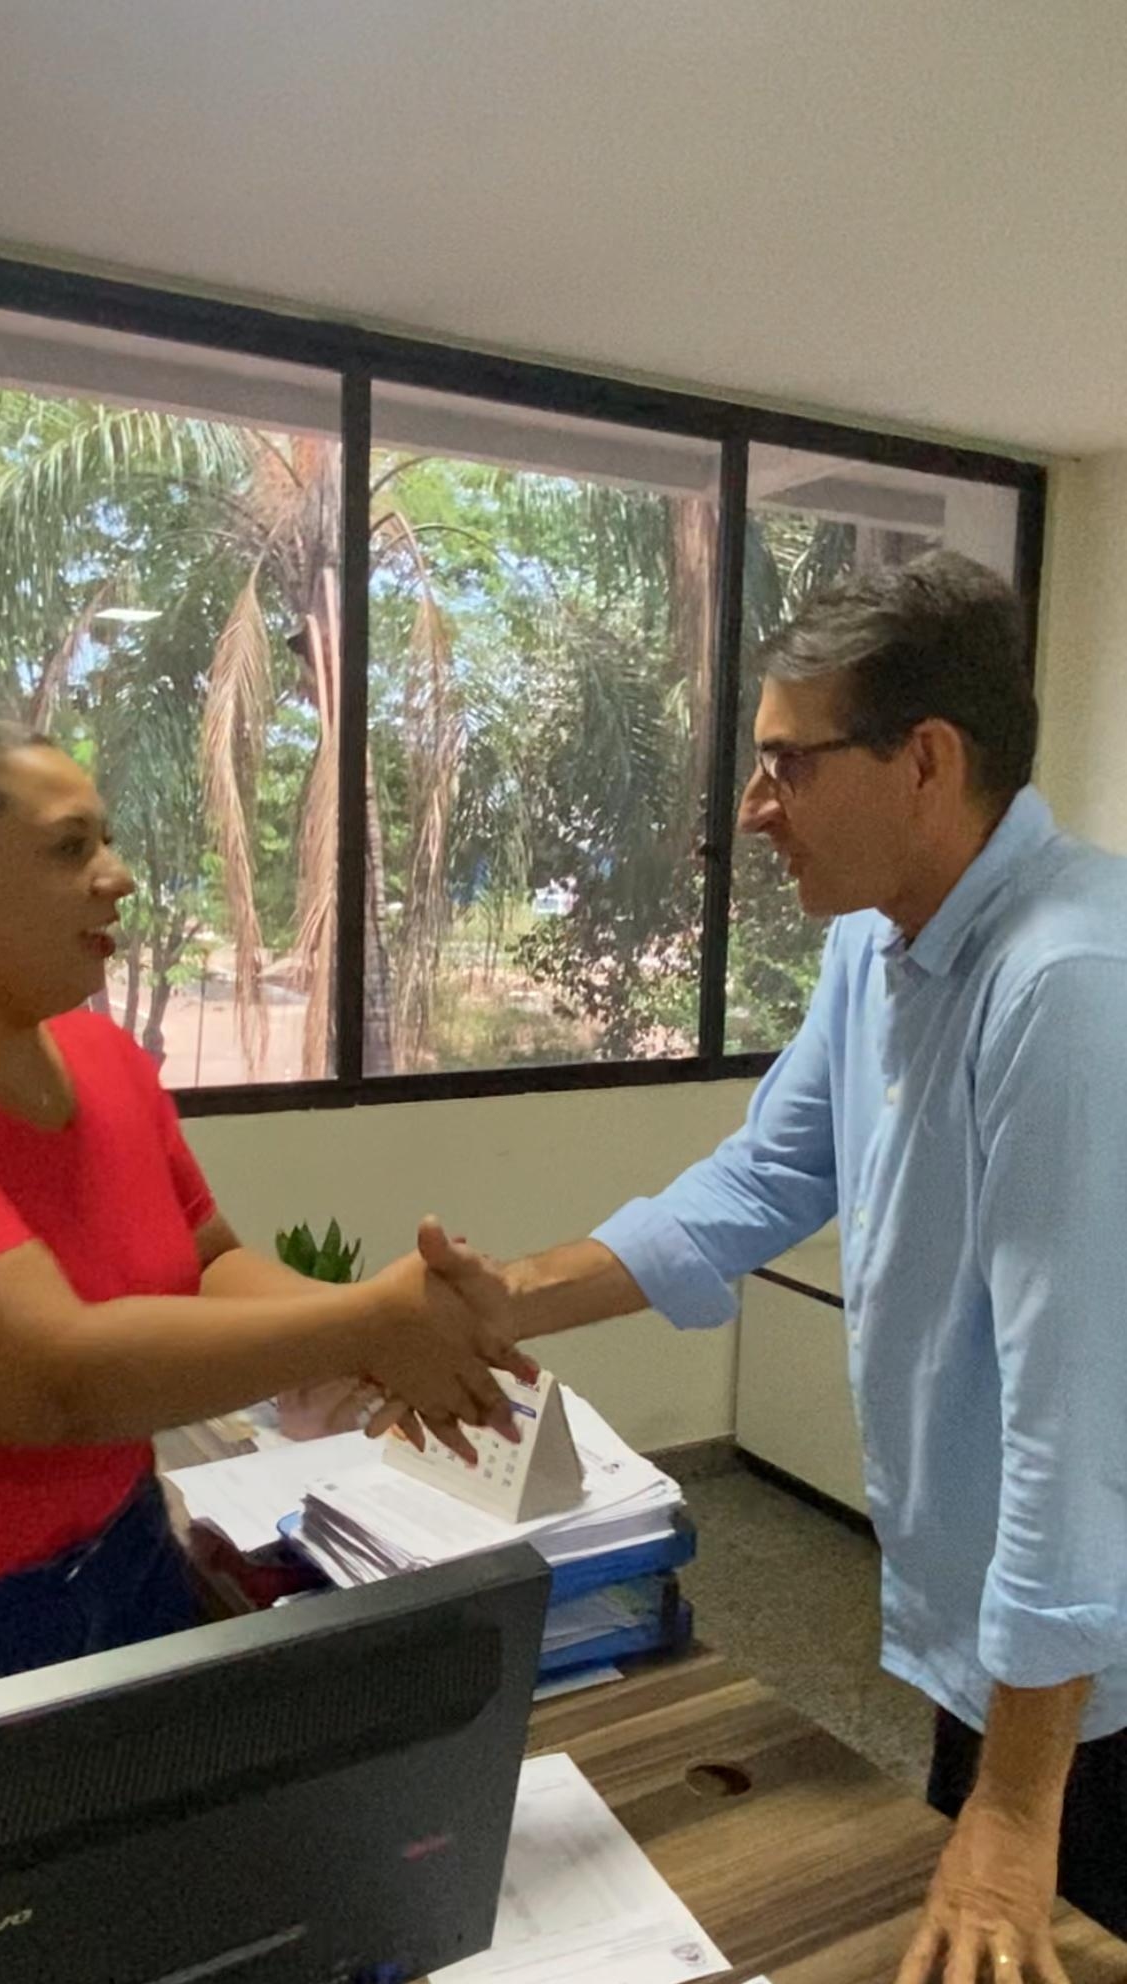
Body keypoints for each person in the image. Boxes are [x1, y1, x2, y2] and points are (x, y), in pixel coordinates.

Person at [421, 550, 1127, 1979]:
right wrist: (511, 1299)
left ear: (924, 762)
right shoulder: (881, 945)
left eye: (787, 764)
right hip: (1008, 1638)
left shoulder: (1064, 984)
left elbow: (1074, 1427)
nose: (754, 809)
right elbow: (763, 1177)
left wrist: (1012, 1804)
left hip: (1092, 1650)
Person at [0, 717, 532, 1705]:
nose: (118, 877)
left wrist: (386, 1332)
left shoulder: (102, 1060)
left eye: (106, 841)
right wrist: (371, 1322)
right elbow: (53, 1384)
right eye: (69, 847)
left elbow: (211, 1263)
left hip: (131, 1555)